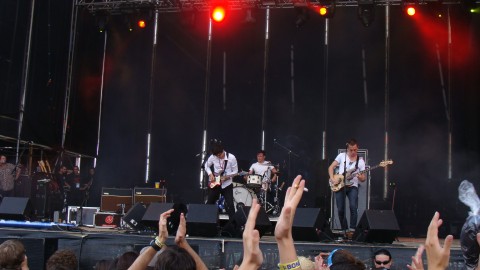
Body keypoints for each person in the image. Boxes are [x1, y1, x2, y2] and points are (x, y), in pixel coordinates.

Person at [328, 138, 366, 237]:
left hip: (353, 186)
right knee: (340, 209)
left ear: (357, 148)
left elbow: (363, 179)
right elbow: (331, 167)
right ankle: (344, 230)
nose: (353, 152)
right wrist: (332, 178)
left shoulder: (360, 161)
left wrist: (360, 177)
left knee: (353, 207)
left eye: (355, 150)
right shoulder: (342, 156)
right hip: (340, 185)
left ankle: (352, 230)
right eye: (351, 150)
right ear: (347, 148)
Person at [204, 140, 238, 220]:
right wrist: (210, 174)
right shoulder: (213, 157)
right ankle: (207, 221)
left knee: (230, 205)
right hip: (215, 183)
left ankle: (233, 226)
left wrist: (227, 177)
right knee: (210, 202)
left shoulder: (231, 158)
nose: (219, 157)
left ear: (223, 150)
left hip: (227, 184)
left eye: (220, 155)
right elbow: (206, 165)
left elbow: (236, 171)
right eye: (217, 156)